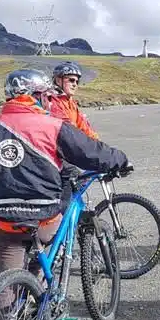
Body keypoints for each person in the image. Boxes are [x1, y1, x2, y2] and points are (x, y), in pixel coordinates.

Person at [0, 69, 130, 314]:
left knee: (4, 278)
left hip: (3, 218)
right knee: (51, 248)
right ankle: (40, 302)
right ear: (39, 96)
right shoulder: (53, 126)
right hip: (43, 215)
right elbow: (90, 152)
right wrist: (120, 160)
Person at [48, 61, 100, 210]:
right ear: (58, 80)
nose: (75, 84)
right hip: (52, 152)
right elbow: (68, 131)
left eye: (77, 81)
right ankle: (61, 219)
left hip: (64, 150)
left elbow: (84, 127)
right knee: (73, 175)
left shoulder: (71, 103)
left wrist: (101, 147)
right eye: (71, 80)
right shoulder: (53, 102)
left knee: (80, 177)